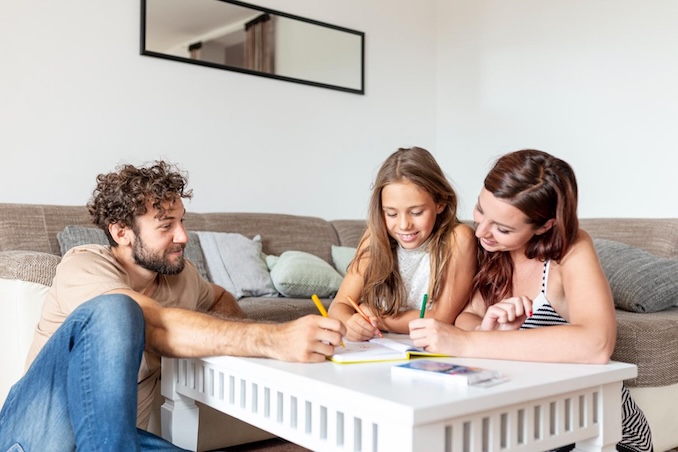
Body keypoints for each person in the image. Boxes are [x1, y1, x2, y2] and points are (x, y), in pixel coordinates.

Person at [0, 161, 346, 451]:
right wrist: (274, 339)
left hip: (119, 441)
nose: (183, 236)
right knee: (119, 311)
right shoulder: (84, 264)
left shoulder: (182, 276)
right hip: (34, 437)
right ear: (121, 232)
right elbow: (156, 325)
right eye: (167, 226)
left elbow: (221, 297)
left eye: (182, 222)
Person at [408, 149, 652, 452]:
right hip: (530, 424)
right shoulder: (488, 248)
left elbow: (597, 343)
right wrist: (487, 328)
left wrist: (468, 343)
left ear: (544, 226)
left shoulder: (570, 249)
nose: (482, 231)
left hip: (600, 430)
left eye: (503, 228)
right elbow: (466, 315)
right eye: (481, 210)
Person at [328, 146, 477, 341]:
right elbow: (339, 306)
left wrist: (373, 316)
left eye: (416, 212)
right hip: (379, 347)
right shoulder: (374, 239)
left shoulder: (458, 239)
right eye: (391, 213)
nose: (404, 225)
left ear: (440, 203)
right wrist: (351, 323)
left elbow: (440, 319)